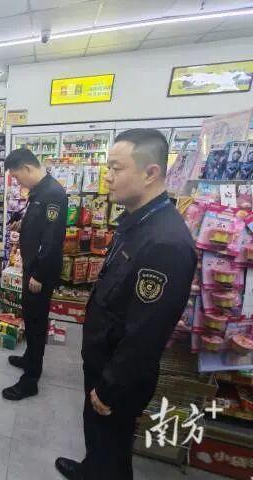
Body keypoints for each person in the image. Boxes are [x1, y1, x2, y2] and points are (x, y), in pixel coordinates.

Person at [55, 129, 197, 480]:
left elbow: (147, 333)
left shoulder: (165, 242)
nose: (107, 177)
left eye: (116, 168)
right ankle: (90, 469)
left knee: (113, 450)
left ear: (150, 173)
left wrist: (111, 385)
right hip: (103, 357)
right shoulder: (137, 220)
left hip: (118, 375)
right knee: (99, 439)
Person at [2, 148, 67, 401]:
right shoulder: (39, 191)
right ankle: (29, 357)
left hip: (41, 271)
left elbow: (52, 241)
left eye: (17, 177)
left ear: (27, 169)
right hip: (32, 266)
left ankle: (30, 381)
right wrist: (22, 224)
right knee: (30, 317)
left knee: (37, 323)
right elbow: (39, 225)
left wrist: (38, 275)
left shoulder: (53, 194)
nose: (18, 182)